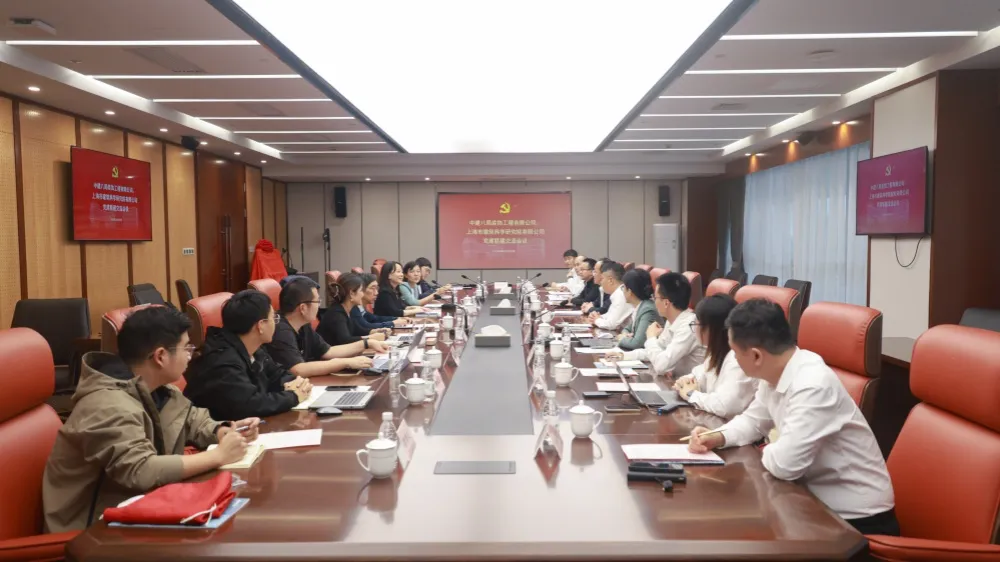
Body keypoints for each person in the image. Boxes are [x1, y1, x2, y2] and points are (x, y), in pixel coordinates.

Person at [687, 299, 898, 536]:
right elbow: (752, 421)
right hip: (810, 499)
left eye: (735, 352)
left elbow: (785, 465)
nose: (733, 359)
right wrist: (716, 436)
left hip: (856, 520)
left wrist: (768, 447)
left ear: (756, 356)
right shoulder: (775, 372)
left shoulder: (812, 385)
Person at [43, 307, 257, 532]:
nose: (191, 355)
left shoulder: (157, 391)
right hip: (92, 531)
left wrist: (222, 431)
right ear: (160, 356)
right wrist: (217, 456)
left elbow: (192, 419)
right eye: (186, 347)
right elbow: (140, 470)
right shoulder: (107, 405)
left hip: (139, 509)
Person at [184, 290, 313, 421]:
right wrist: (293, 396)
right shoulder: (222, 359)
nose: (276, 323)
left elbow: (276, 374)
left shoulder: (253, 348)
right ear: (260, 325)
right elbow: (248, 405)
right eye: (273, 318)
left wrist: (298, 384)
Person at [266, 277, 388, 376]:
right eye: (317, 302)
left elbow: (328, 351)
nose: (319, 306)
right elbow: (298, 369)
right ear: (303, 308)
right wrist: (345, 363)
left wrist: (367, 343)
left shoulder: (303, 325)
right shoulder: (280, 330)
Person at [672, 294, 757, 418]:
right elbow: (698, 375)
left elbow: (724, 406)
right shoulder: (717, 352)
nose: (695, 330)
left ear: (712, 329)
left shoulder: (737, 359)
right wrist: (684, 382)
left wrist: (691, 394)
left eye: (696, 325)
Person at [606, 272, 705, 377]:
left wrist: (651, 337)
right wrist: (623, 355)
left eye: (655, 297)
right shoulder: (673, 320)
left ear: (666, 303)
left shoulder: (689, 326)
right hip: (675, 381)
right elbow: (656, 351)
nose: (653, 301)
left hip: (689, 385)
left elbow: (661, 366)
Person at [318, 272, 395, 346]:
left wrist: (375, 331)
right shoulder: (336, 314)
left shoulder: (347, 309)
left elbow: (357, 330)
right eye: (361, 290)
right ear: (352, 293)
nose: (363, 294)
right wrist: (371, 338)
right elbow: (345, 341)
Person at [615, 269, 658, 350]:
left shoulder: (648, 310)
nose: (622, 291)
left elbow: (637, 343)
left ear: (629, 291)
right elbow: (627, 329)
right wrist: (625, 335)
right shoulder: (640, 306)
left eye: (623, 287)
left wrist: (622, 339)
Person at [587, 261, 633, 331]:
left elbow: (611, 324)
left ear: (610, 280)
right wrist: (597, 317)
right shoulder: (618, 293)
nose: (601, 282)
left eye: (602, 279)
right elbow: (609, 316)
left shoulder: (621, 295)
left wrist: (596, 320)